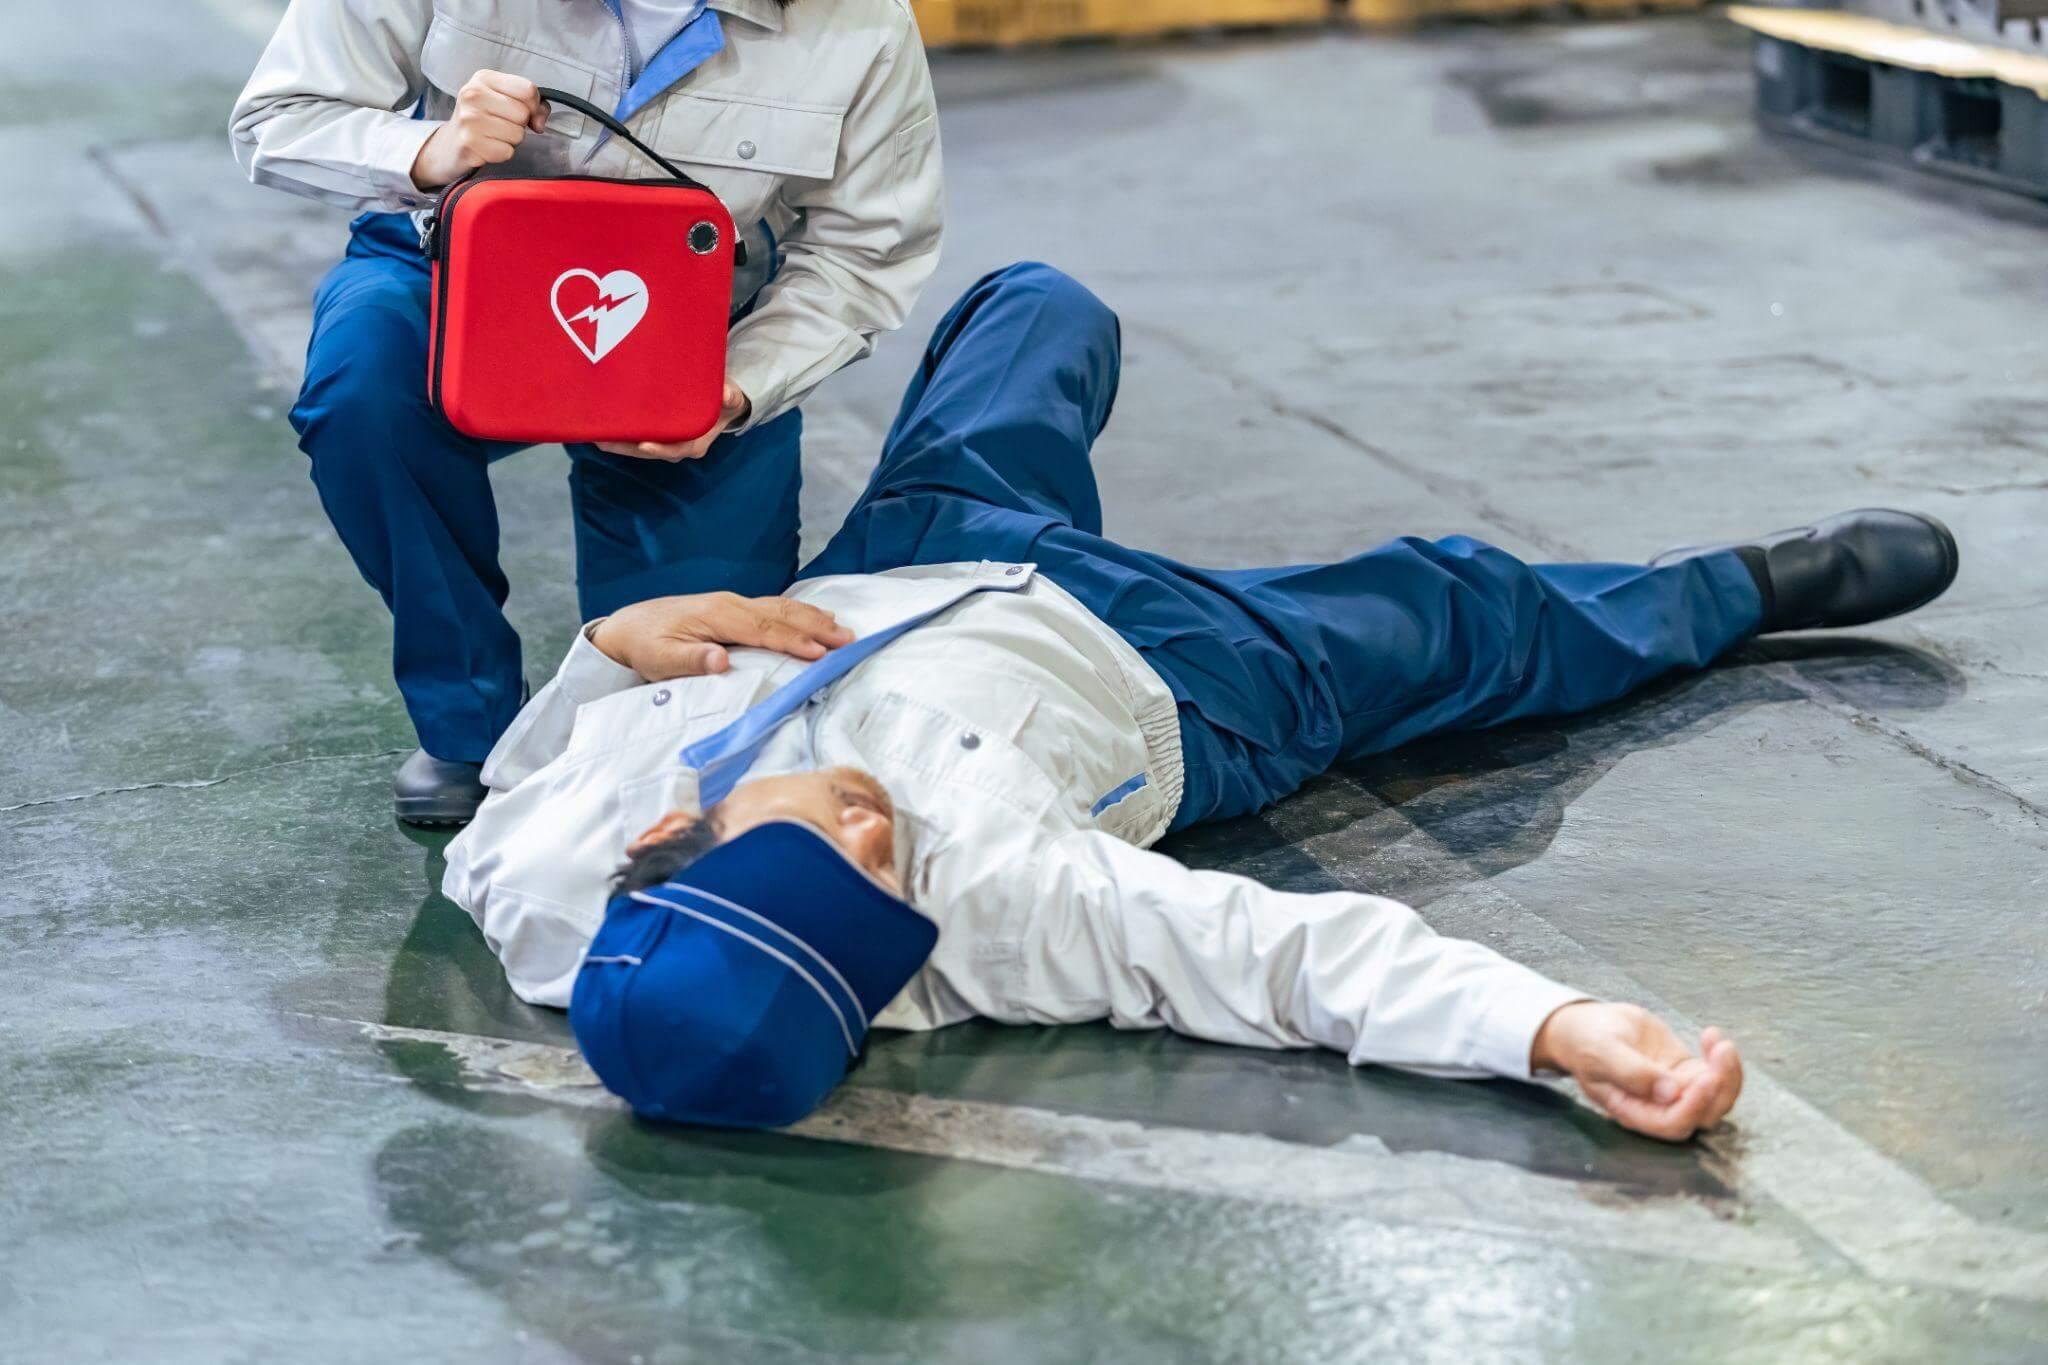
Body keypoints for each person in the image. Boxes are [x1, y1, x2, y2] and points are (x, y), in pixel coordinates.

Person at [442, 263, 1958, 1141]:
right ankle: (1743, 586)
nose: (869, 829)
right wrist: (1553, 1026)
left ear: (661, 839)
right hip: (1179, 674)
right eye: (876, 885)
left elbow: (517, 779)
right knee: (1463, 612)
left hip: (911, 563)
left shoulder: (541, 870)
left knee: (1036, 308)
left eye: (806, 846)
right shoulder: (1004, 916)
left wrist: (615, 641)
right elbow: (1277, 960)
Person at [229, 0, 944, 823]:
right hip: (453, 274)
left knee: (694, 712)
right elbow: (278, 117)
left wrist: (741, 386)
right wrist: (431, 150)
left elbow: (865, 250)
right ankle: (471, 717)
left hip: (700, 323)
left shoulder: (859, 22)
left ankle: (649, 712)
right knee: (365, 389)